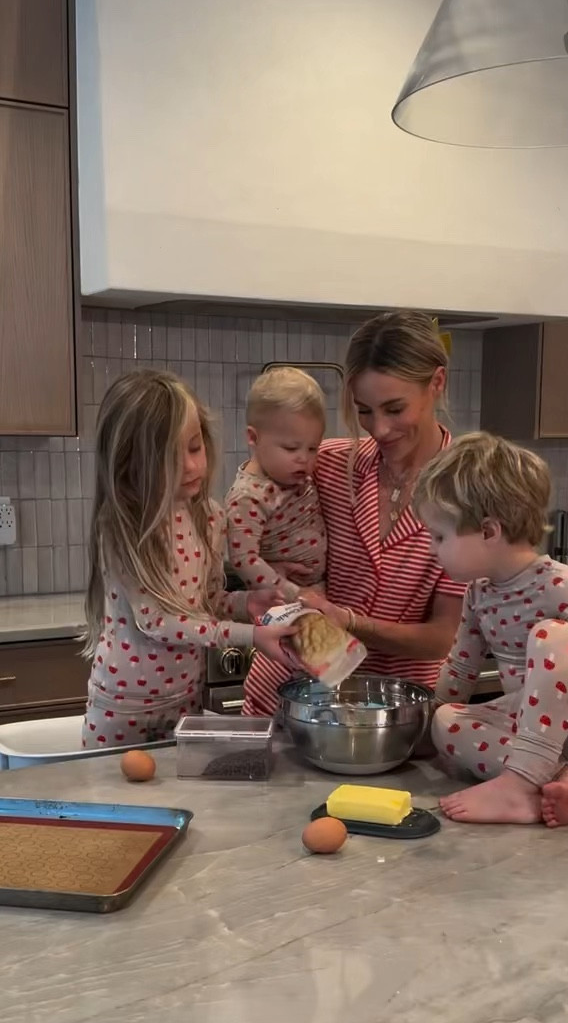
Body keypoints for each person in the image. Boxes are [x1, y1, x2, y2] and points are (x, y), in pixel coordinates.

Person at [414, 431, 568, 827]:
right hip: (548, 745)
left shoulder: (561, 583)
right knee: (446, 723)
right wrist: (424, 725)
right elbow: (459, 672)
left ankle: (518, 784)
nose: (430, 547)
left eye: (439, 536)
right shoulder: (478, 594)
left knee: (551, 636)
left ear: (489, 531)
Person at [243, 311, 466, 715]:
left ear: (437, 383)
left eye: (395, 409)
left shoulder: (467, 496)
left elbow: (444, 638)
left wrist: (350, 622)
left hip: (392, 717)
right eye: (364, 410)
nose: (378, 429)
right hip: (287, 696)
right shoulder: (325, 464)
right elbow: (248, 492)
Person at [82, 370, 295, 748]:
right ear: (132, 463)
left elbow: (207, 602)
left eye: (195, 447)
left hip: (186, 701)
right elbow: (159, 622)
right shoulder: (121, 528)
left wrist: (247, 603)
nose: (193, 466)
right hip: (122, 707)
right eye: (170, 458)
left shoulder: (209, 517)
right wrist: (252, 636)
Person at [225, 367, 327, 602]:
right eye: (291, 448)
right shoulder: (249, 496)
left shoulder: (294, 474)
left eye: (313, 448)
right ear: (253, 438)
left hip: (315, 590)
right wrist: (294, 593)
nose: (304, 458)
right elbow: (244, 559)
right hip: (281, 601)